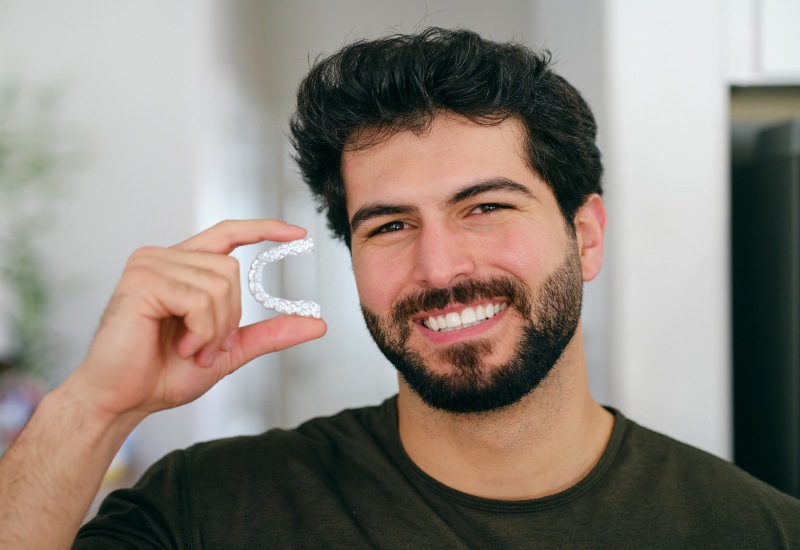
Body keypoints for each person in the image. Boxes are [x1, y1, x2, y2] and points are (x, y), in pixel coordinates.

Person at [1, 27, 798, 549]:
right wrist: (95, 407)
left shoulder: (751, 530)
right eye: (389, 226)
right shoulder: (212, 509)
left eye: (485, 207)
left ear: (584, 235)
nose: (440, 269)